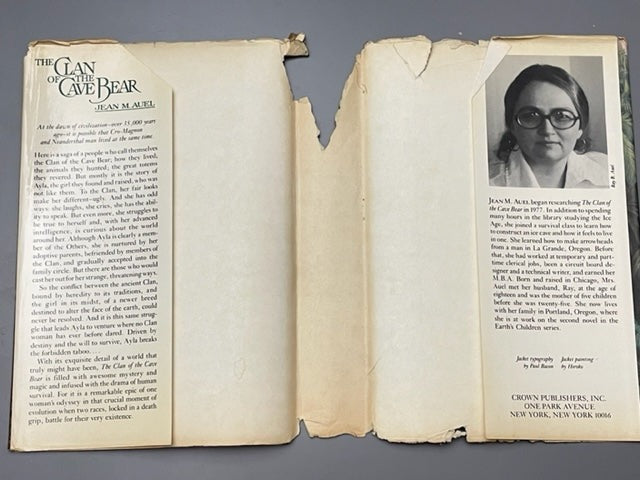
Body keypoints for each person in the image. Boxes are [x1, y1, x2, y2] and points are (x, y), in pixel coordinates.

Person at [489, 64, 608, 188]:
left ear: (580, 128)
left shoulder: (605, 171)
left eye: (562, 116)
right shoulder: (489, 183)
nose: (547, 130)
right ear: (512, 126)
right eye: (531, 116)